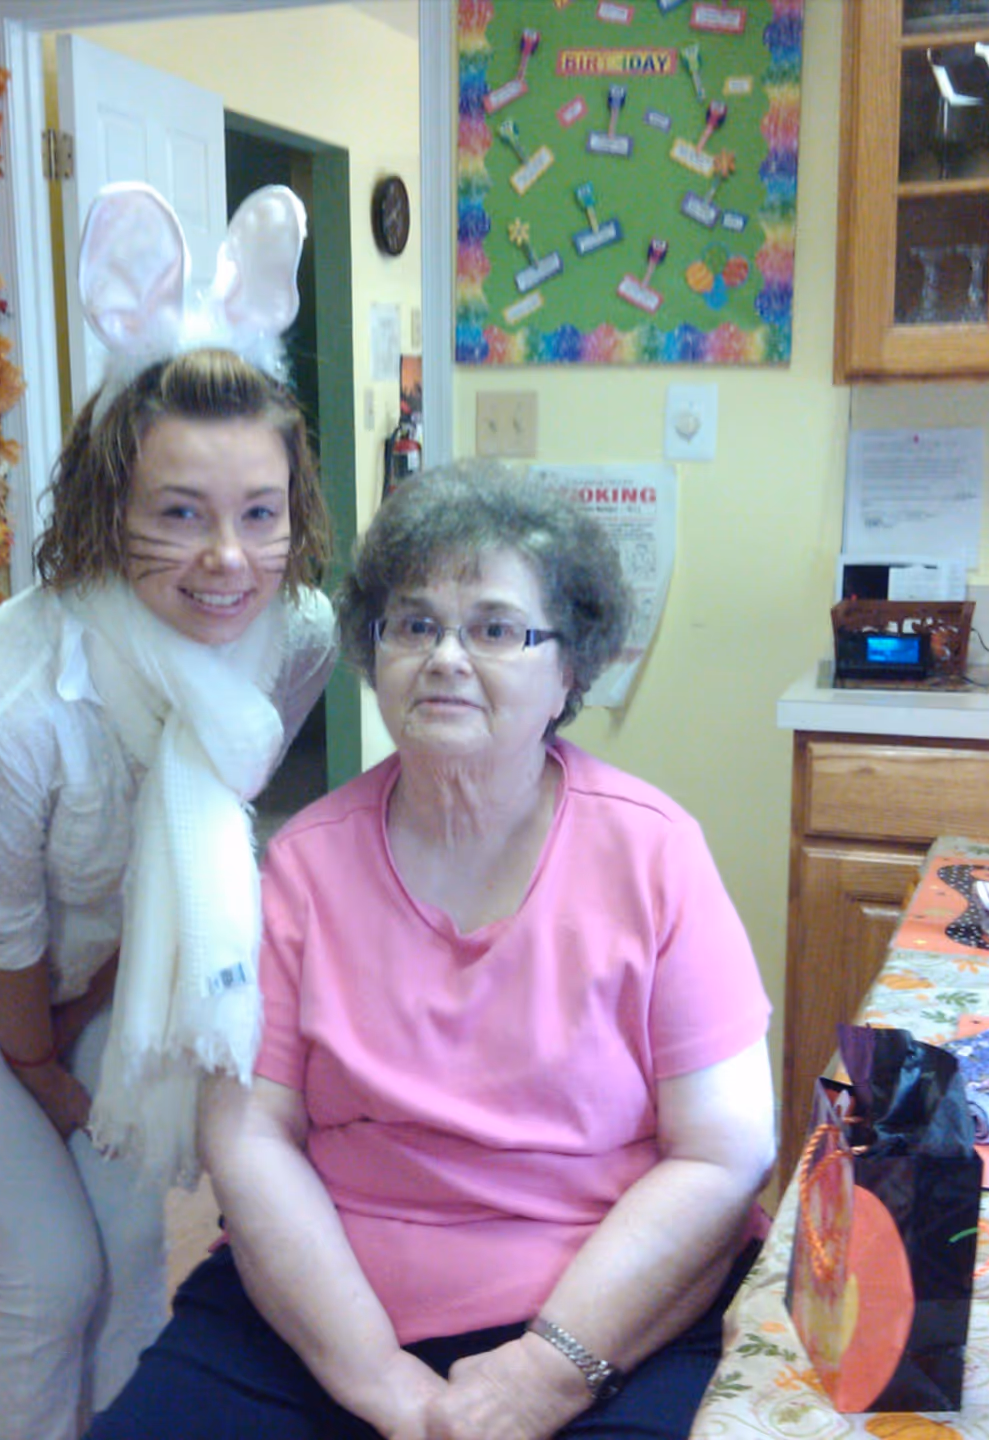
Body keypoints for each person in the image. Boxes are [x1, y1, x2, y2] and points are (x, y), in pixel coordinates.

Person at [88, 463, 776, 1440]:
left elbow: (725, 1150)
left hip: (608, 1315)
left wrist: (549, 1370)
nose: (447, 656)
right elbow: (248, 1136)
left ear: (568, 670)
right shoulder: (303, 866)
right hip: (325, 1312)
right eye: (414, 625)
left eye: (495, 628)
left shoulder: (655, 853)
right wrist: (373, 1374)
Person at [0, 345, 337, 1440]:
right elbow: (1, 945)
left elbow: (201, 827)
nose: (228, 559)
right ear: (109, 509)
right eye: (181, 513)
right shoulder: (6, 709)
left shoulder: (299, 638)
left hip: (104, 948)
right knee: (46, 1270)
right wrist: (49, 1075)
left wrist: (99, 1005)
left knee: (130, 1242)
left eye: (260, 512)